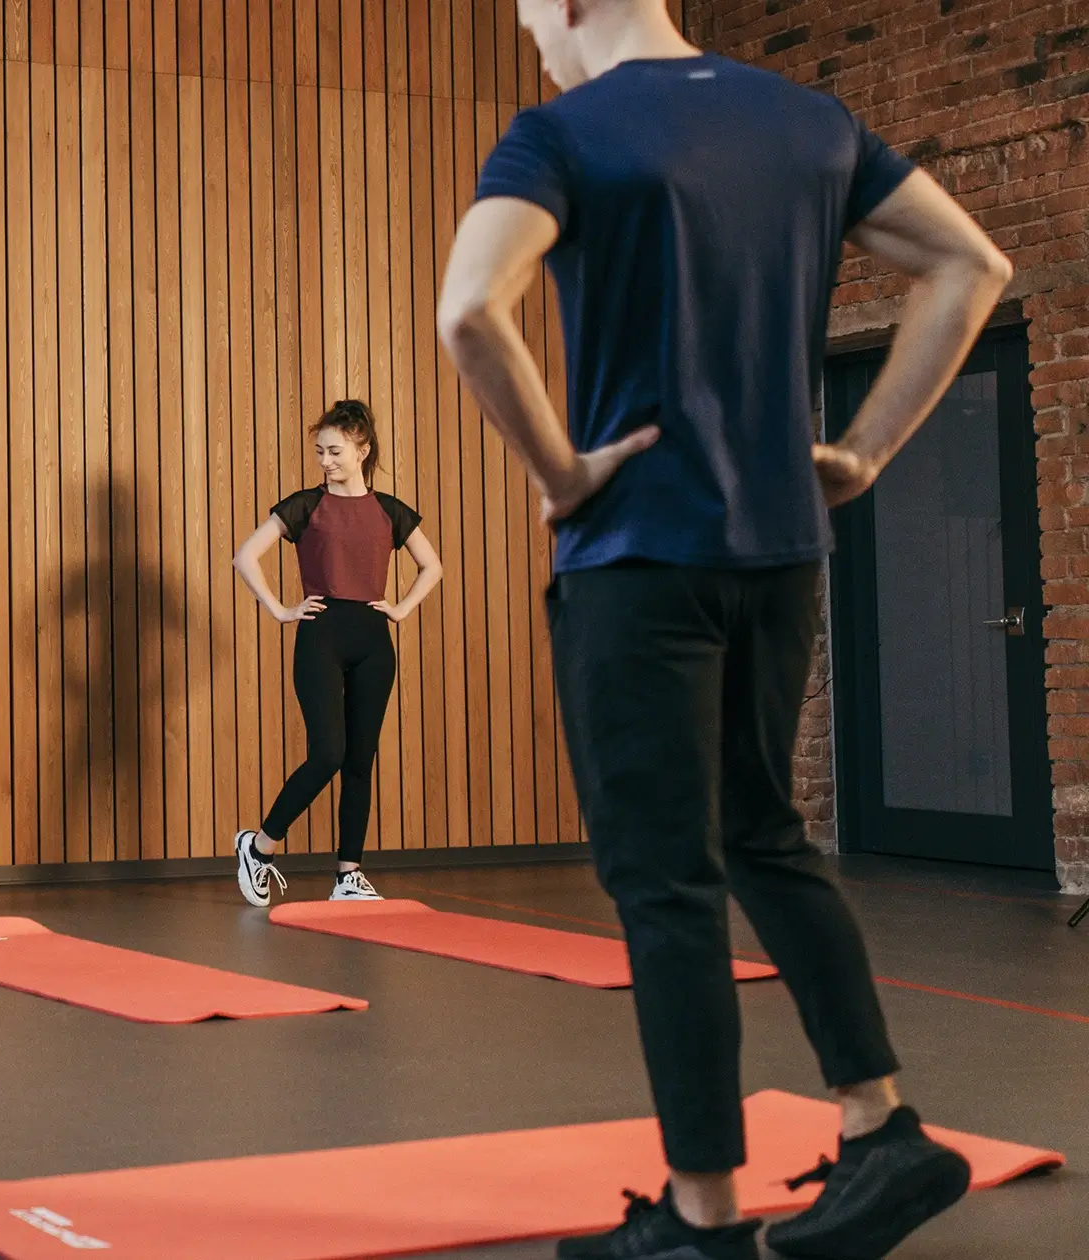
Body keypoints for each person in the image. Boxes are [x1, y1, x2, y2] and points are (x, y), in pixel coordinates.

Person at [437, 2, 1012, 1257]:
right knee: (765, 837)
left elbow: (470, 309)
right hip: (778, 551)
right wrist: (860, 452)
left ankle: (701, 1221)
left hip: (639, 558)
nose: (529, 25)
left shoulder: (562, 135)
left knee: (666, 882)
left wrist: (560, 469)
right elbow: (974, 266)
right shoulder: (807, 121)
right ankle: (883, 1131)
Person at [228, 400, 443, 905]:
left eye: (334, 451)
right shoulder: (306, 505)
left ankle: (349, 874)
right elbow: (245, 556)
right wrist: (280, 609)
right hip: (321, 638)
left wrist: (403, 608)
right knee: (328, 753)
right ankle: (259, 848)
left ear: (362, 449)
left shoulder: (390, 511)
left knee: (360, 761)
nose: (324, 460)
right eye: (320, 451)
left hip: (373, 643)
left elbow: (432, 566)